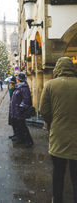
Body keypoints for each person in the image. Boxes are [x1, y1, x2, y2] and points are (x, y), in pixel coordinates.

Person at [39, 57, 77, 203]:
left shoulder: (50, 85)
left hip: (58, 137)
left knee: (58, 173)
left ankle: (57, 199)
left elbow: (44, 111)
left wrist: (51, 123)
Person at [9, 72, 34, 147]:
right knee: (18, 126)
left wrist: (21, 107)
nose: (16, 79)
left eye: (17, 78)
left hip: (19, 111)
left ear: (19, 79)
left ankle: (29, 141)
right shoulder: (18, 87)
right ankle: (21, 139)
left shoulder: (23, 87)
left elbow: (26, 99)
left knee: (23, 127)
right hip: (15, 110)